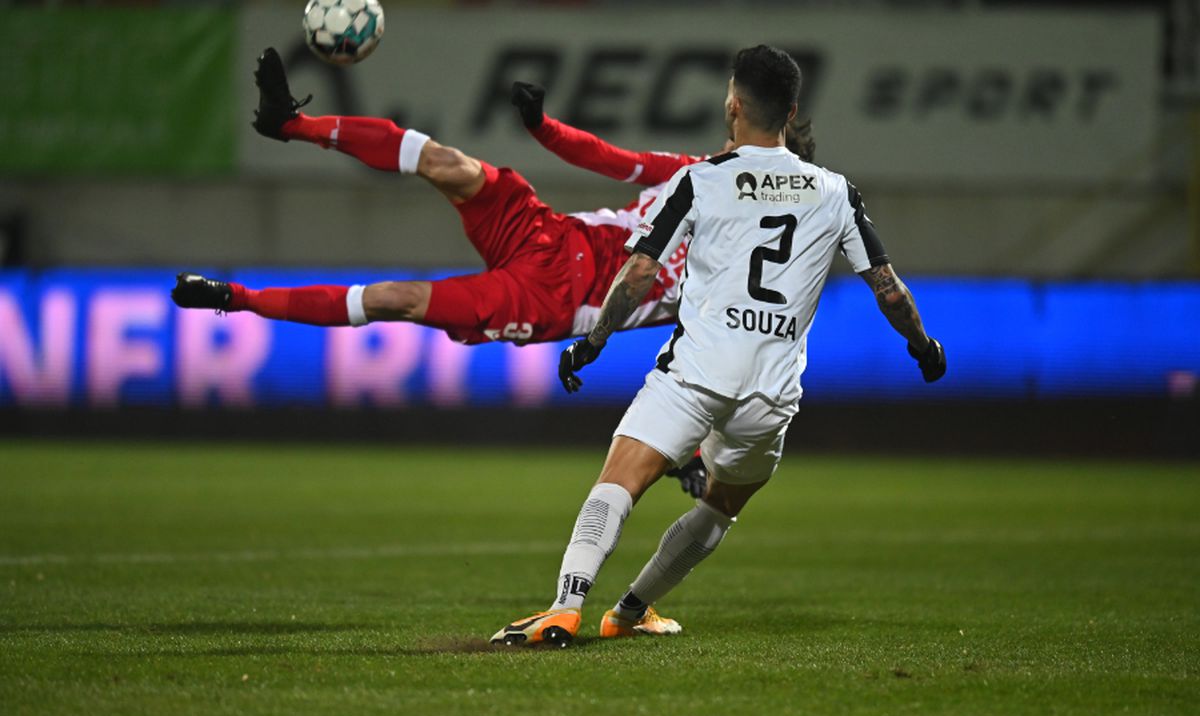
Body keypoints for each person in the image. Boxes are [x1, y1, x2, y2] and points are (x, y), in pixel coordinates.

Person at [170, 49, 812, 494]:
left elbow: (712, 352)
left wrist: (691, 451)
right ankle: (292, 123)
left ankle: (239, 296)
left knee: (400, 299)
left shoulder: (741, 261)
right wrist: (541, 126)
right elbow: (611, 158)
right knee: (448, 162)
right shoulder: (693, 170)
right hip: (551, 233)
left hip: (549, 299)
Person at [490, 45, 945, 647]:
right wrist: (922, 344)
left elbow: (639, 277)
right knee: (722, 506)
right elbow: (889, 291)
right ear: (792, 110)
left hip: (696, 374)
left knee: (620, 480)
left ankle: (565, 607)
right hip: (771, 397)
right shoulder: (835, 191)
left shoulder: (701, 179)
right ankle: (629, 612)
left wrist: (593, 342)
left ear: (733, 104)